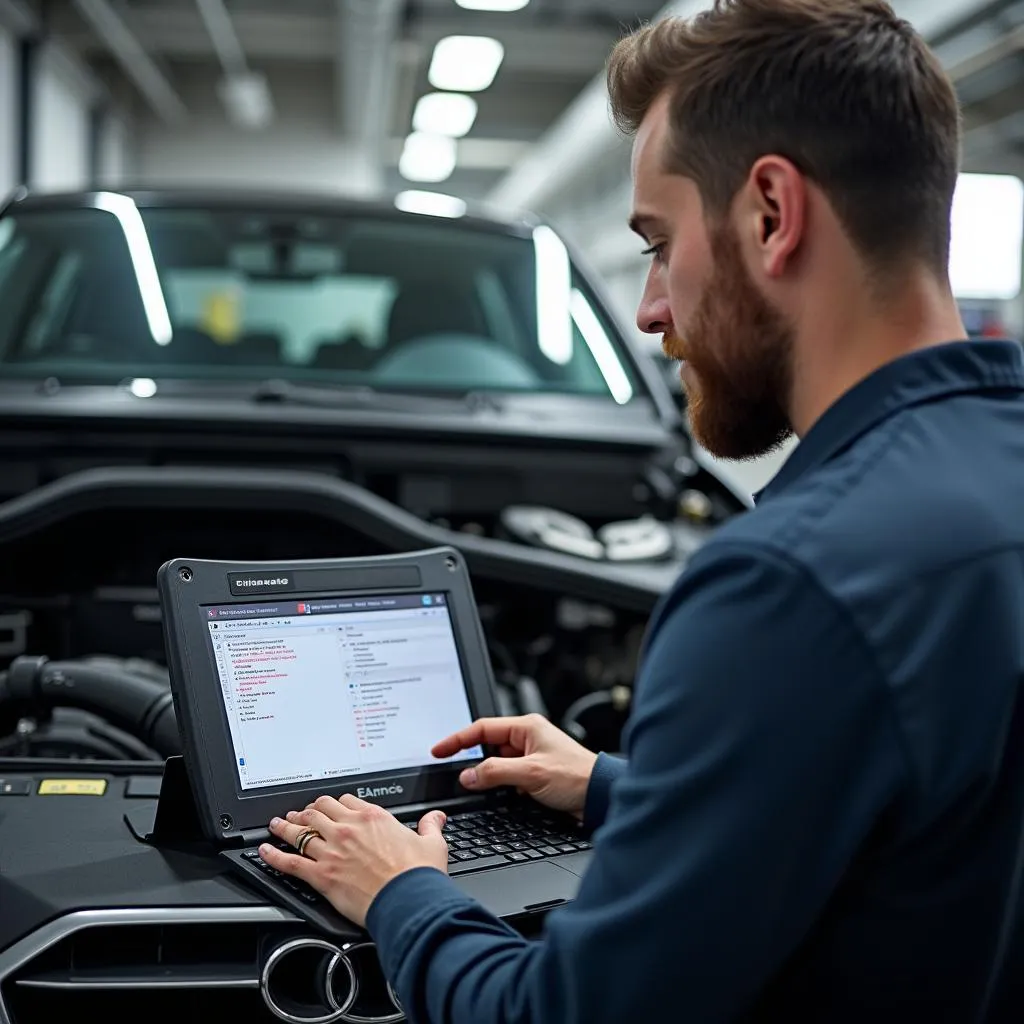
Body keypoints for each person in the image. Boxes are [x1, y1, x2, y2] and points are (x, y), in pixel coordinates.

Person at [260, 1, 1024, 1019]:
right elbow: (929, 814)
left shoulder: (784, 583)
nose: (649, 307)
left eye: (658, 244)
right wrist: (626, 788)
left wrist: (401, 889)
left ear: (768, 213)